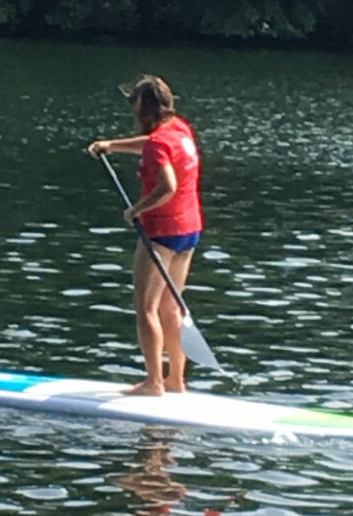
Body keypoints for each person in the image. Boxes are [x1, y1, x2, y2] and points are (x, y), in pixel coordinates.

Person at [88, 75, 203, 396]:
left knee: (146, 306)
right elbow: (154, 146)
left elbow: (168, 186)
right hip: (189, 230)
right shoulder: (180, 129)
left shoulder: (157, 143)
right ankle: (176, 381)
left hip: (162, 232)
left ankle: (153, 382)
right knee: (171, 307)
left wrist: (136, 209)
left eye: (134, 103)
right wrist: (111, 145)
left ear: (145, 108)